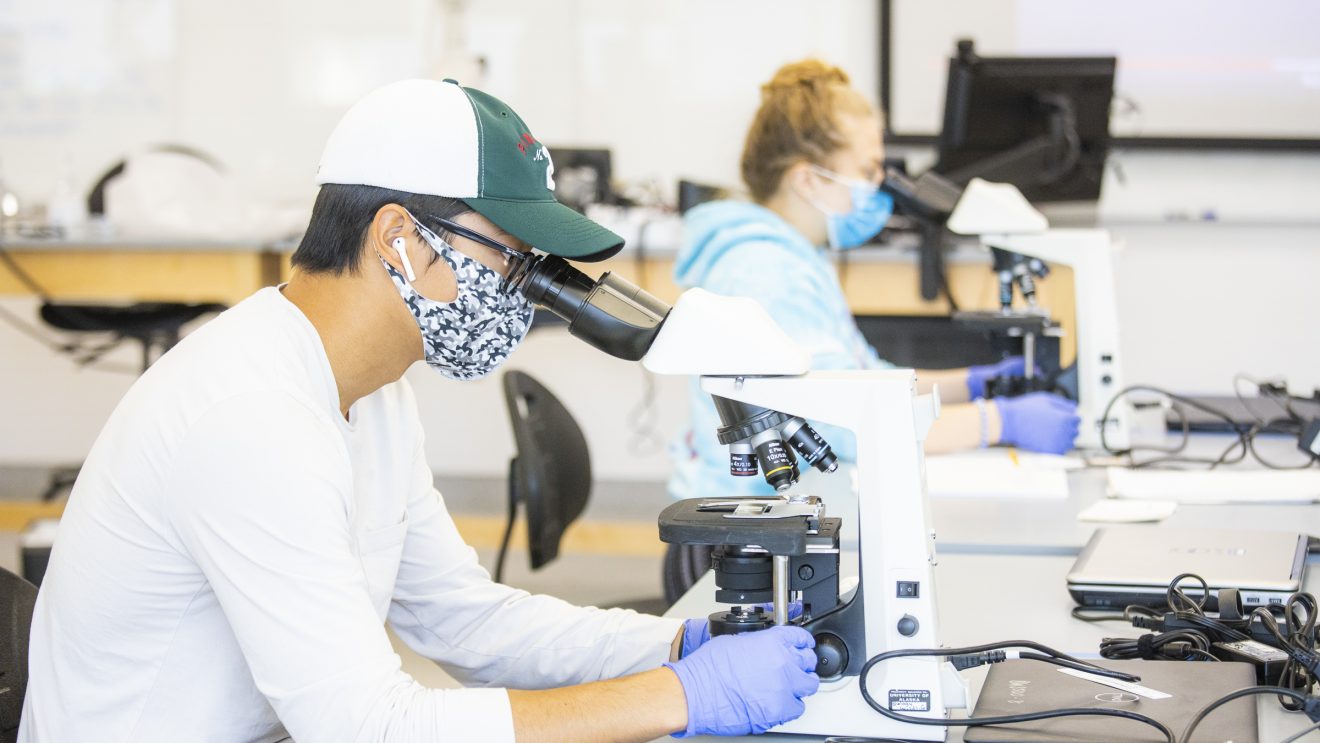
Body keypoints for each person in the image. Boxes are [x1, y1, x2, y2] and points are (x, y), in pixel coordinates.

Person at [20, 80, 819, 742]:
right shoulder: (248, 412)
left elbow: (464, 621)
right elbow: (365, 725)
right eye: (511, 258)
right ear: (398, 238)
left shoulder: (376, 393)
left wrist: (673, 644)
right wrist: (678, 697)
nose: (524, 293)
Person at [668, 60, 1081, 509]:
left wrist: (976, 384)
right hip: (738, 541)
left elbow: (864, 382)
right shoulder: (766, 272)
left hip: (779, 515)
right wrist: (996, 422)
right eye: (867, 173)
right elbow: (841, 424)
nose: (880, 188)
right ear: (808, 180)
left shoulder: (796, 258)